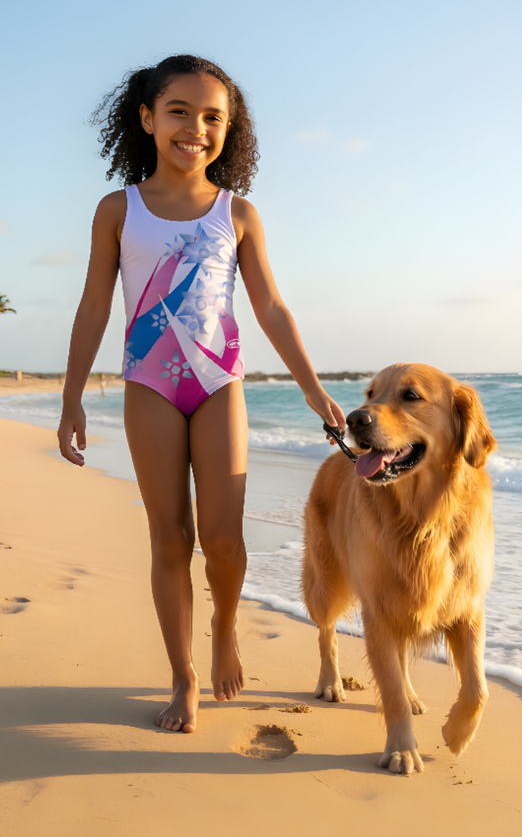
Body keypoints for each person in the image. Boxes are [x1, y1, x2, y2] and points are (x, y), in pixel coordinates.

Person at [57, 55, 345, 733]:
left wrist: (311, 388)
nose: (196, 127)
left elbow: (271, 308)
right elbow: (94, 307)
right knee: (169, 538)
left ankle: (224, 626)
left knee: (221, 537)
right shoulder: (117, 210)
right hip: (149, 386)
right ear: (148, 118)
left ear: (229, 130)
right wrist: (71, 398)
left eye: (213, 116)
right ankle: (183, 676)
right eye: (179, 111)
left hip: (220, 386)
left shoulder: (236, 212)